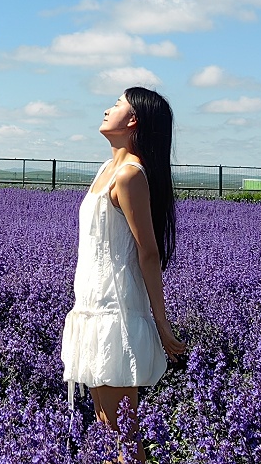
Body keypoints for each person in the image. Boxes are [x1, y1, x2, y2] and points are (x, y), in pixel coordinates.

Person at [61, 86, 189, 462]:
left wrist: (160, 323)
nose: (107, 109)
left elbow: (148, 253)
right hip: (91, 305)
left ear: (133, 120)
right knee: (107, 427)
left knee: (123, 431)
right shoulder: (107, 169)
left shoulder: (130, 175)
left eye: (117, 104)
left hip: (115, 310)